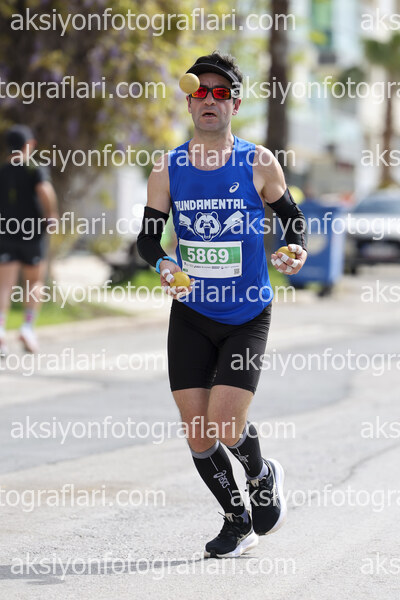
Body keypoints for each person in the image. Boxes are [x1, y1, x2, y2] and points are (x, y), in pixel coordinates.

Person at [138, 51, 307, 558]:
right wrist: (164, 263)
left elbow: (293, 220)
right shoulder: (168, 167)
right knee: (197, 432)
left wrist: (295, 248)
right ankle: (237, 520)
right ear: (190, 103)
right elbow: (147, 240)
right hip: (191, 314)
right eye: (201, 92)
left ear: (234, 103)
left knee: (226, 424)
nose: (210, 100)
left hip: (247, 314)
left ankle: (262, 475)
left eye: (221, 93)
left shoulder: (258, 162)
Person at [0, 125, 58, 355]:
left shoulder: (3, 171)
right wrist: (51, 215)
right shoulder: (34, 168)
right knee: (34, 281)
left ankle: (0, 330)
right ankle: (27, 327)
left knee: (4, 285)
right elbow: (45, 190)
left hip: (5, 234)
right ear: (29, 145)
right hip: (32, 234)